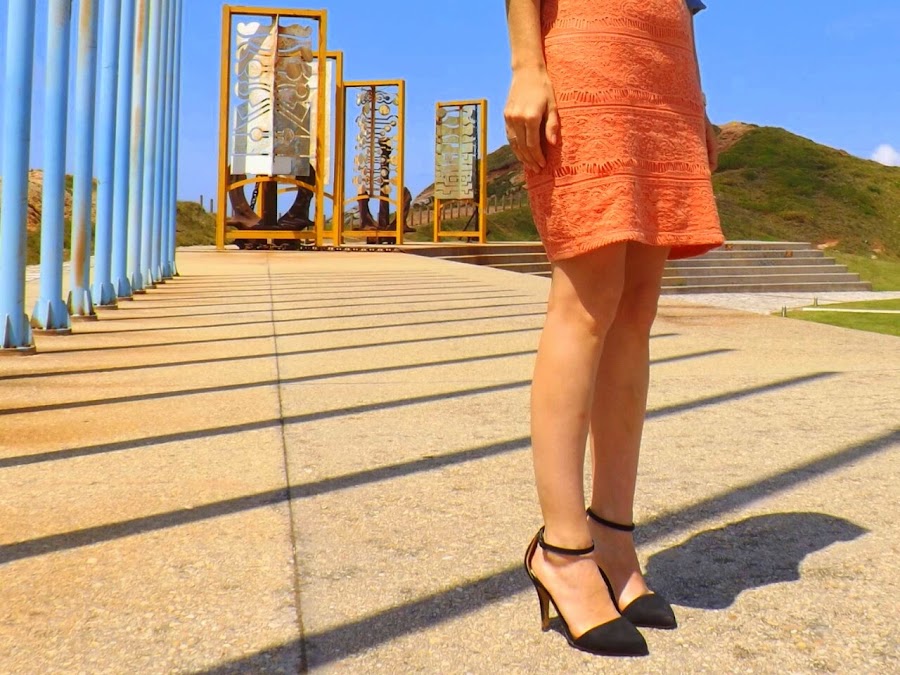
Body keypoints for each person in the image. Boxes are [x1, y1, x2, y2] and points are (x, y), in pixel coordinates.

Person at [504, 0, 724, 657]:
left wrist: (698, 99)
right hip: (587, 51)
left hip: (666, 73)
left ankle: (613, 538)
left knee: (636, 309)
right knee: (587, 300)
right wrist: (527, 66)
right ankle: (562, 549)